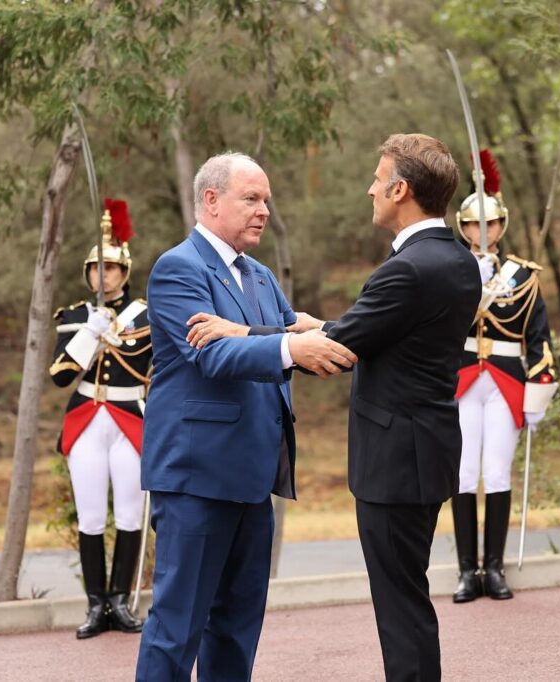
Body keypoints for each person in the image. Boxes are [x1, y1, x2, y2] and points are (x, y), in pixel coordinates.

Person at [135, 152, 357, 681]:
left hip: (254, 479)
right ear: (211, 201)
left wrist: (352, 335)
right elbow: (211, 354)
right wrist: (292, 348)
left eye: (267, 201)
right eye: (252, 199)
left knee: (236, 629)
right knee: (176, 629)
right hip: (196, 478)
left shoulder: (258, 275)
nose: (264, 211)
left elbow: (292, 328)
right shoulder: (178, 268)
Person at [283, 133, 481, 681]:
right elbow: (371, 332)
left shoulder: (407, 269)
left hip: (395, 460)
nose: (369, 189)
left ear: (401, 190)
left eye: (377, 179)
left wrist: (241, 333)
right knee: (406, 596)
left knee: (400, 606)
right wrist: (310, 324)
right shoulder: (457, 259)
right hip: (426, 450)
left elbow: (339, 352)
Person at [449, 158, 557, 604]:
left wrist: (538, 395)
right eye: (475, 226)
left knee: (495, 472)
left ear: (502, 225)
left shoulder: (524, 276)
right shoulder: (451, 270)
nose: (483, 233)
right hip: (460, 380)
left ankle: (493, 569)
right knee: (461, 474)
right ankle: (464, 572)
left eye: (490, 224)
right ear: (463, 228)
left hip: (508, 381)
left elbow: (540, 340)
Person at [50, 199, 150, 638]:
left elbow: (153, 368)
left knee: (129, 514)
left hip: (130, 418)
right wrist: (91, 331)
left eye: (110, 268)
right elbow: (60, 376)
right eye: (96, 268)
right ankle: (94, 605)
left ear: (123, 273)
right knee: (90, 516)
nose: (102, 275)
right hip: (88, 419)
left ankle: (120, 603)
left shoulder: (145, 314)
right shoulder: (74, 316)